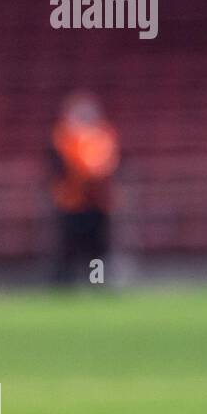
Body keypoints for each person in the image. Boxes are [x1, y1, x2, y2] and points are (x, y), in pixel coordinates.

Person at [49, 91, 119, 284]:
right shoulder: (63, 137)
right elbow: (65, 167)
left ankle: (97, 282)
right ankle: (64, 284)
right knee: (68, 246)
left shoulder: (102, 136)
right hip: (71, 202)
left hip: (97, 202)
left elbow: (105, 164)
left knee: (97, 248)